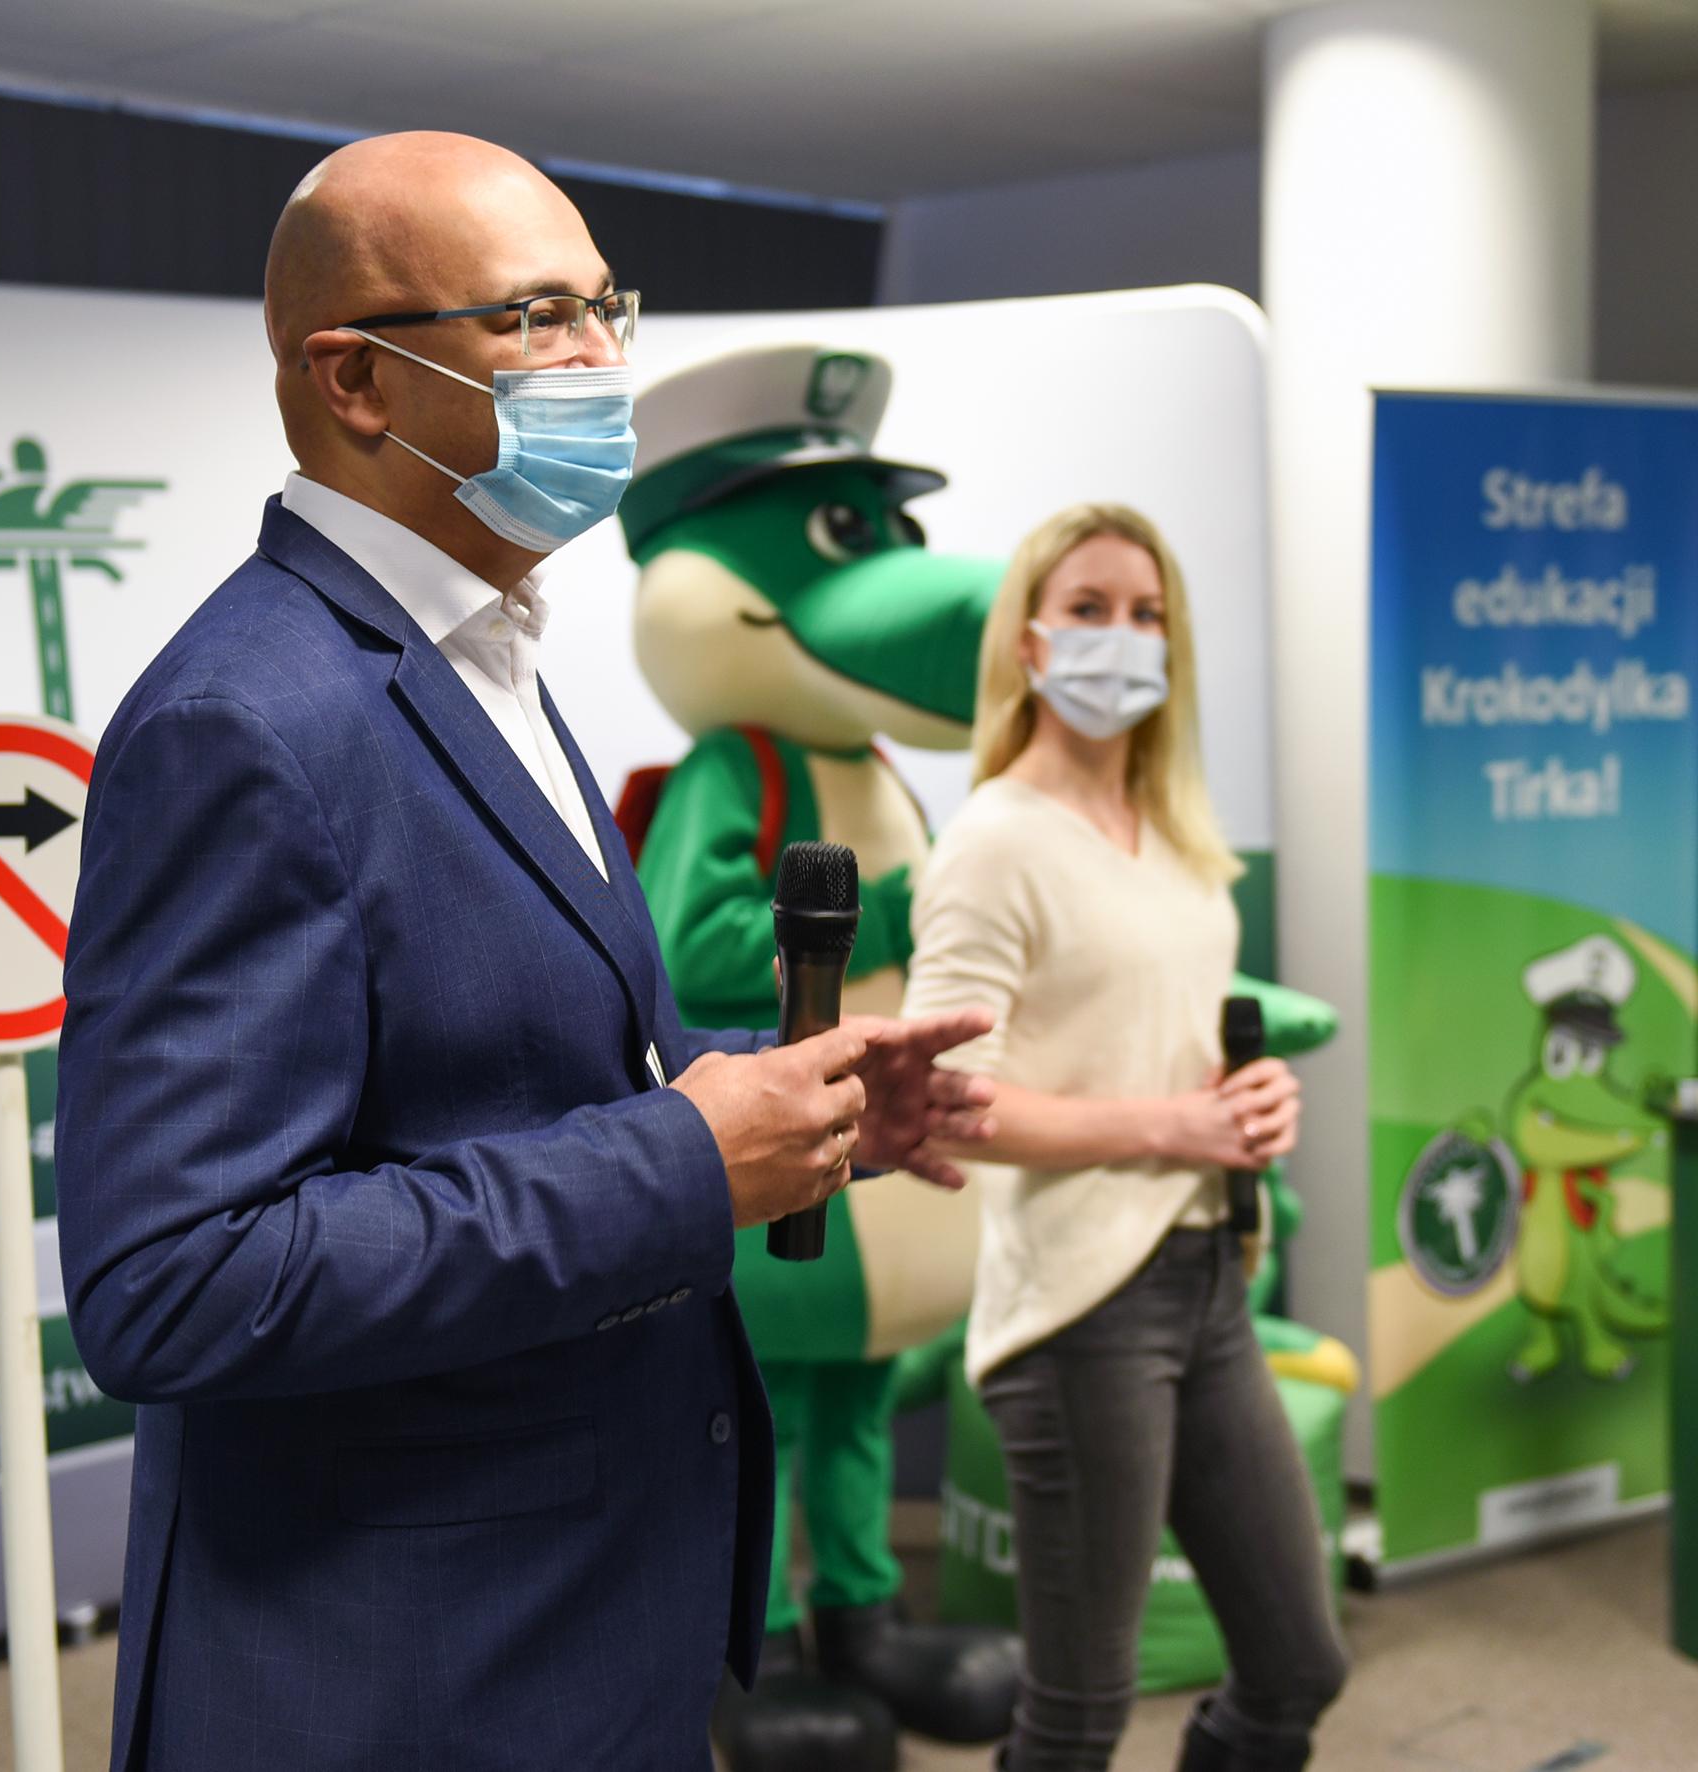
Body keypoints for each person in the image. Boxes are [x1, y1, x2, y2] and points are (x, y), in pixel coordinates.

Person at [55, 131, 998, 1772]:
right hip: (401, 1677)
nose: (598, 363)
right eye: (537, 317)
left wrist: (791, 1102)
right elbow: (176, 1280)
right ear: (356, 379)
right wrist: (682, 1163)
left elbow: (517, 1070)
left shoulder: (480, 655)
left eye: (605, 309)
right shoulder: (244, 720)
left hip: (581, 1624)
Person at [901, 505, 1348, 1772]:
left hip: (1206, 1280)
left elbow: (1161, 1036)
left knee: (1297, 1664)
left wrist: (1247, 1100)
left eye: (1145, 613)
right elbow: (949, 1098)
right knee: (1078, 1716)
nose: (1121, 634)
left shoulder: (1179, 836)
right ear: (1028, 643)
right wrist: (1172, 1122)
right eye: (1088, 608)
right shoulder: (992, 842)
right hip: (1080, 1305)